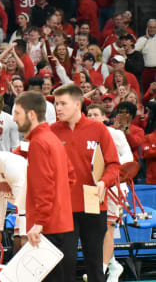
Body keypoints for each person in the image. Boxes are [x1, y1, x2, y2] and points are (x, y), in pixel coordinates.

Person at [50, 84, 120, 282]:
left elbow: (113, 164)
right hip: (64, 206)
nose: (58, 108)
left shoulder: (98, 129)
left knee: (95, 263)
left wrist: (104, 182)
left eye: (63, 104)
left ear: (77, 104)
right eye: (56, 104)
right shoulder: (51, 131)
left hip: (93, 203)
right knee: (65, 262)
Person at [13, 91, 76, 282]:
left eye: (17, 113)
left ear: (31, 114)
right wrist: (59, 203)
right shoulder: (53, 139)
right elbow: (71, 177)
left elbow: (44, 186)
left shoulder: (39, 143)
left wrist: (39, 222)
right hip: (61, 223)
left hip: (47, 227)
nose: (14, 118)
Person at [87, 104, 132, 282]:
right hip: (91, 187)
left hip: (113, 185)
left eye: (95, 114)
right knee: (95, 230)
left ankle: (102, 269)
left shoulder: (115, 134)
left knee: (108, 227)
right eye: (89, 114)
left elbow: (128, 158)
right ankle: (113, 266)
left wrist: (105, 165)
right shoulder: (85, 137)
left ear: (104, 117)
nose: (92, 116)